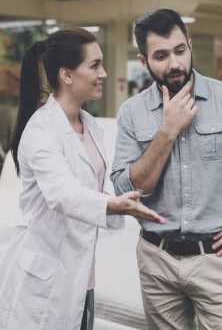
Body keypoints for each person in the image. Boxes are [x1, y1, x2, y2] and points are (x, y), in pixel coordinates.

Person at [110, 9, 222, 330]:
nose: (175, 63)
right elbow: (129, 189)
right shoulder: (132, 112)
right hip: (156, 259)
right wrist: (166, 131)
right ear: (144, 62)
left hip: (215, 261)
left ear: (190, 45)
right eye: (161, 55)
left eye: (180, 50)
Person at [0, 27, 165, 330]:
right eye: (94, 65)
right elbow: (63, 193)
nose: (103, 73)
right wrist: (114, 205)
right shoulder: (41, 130)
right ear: (66, 75)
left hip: (81, 273)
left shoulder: (87, 124)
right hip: (45, 280)